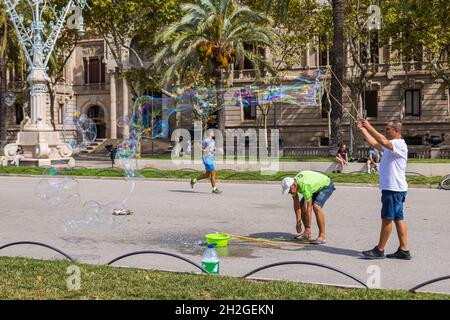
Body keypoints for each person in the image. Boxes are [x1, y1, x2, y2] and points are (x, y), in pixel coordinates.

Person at [357, 119, 411, 260]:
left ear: (396, 131)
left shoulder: (398, 144)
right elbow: (375, 143)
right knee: (398, 218)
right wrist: (362, 129)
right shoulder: (391, 146)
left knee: (387, 218)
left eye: (388, 129)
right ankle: (404, 250)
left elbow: (381, 140)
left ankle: (379, 250)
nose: (385, 131)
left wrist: (369, 126)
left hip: (393, 189)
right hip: (395, 189)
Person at [281, 171, 335, 245]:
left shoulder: (305, 186)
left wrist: (308, 227)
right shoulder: (294, 184)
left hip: (326, 185)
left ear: (293, 185)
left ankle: (322, 236)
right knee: (301, 204)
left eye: (289, 190)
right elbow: (297, 205)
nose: (289, 192)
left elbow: (309, 208)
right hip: (314, 187)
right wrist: (298, 222)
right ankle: (307, 234)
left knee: (316, 207)